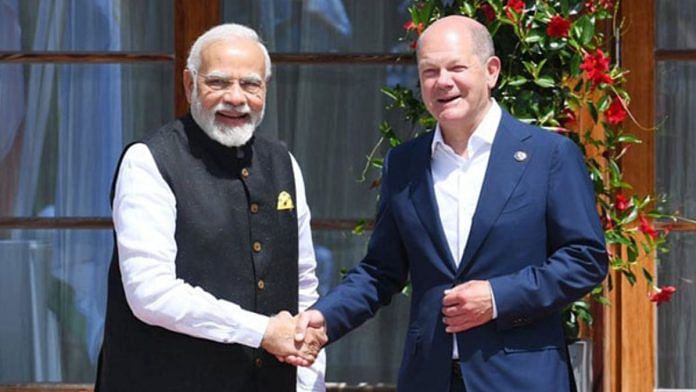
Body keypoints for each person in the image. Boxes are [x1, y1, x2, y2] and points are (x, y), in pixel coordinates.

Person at [292, 15, 608, 392]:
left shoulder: (549, 155)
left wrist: (496, 297)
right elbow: (381, 270)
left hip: (521, 378)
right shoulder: (405, 163)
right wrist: (325, 318)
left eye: (457, 67)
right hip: (430, 376)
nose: (443, 82)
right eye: (429, 71)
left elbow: (585, 258)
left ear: (491, 71)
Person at [96, 23, 326, 392]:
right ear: (189, 85)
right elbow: (150, 293)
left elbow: (304, 284)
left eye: (251, 84)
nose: (235, 98)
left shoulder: (284, 163)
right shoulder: (149, 161)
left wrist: (310, 381)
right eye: (217, 83)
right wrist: (261, 330)